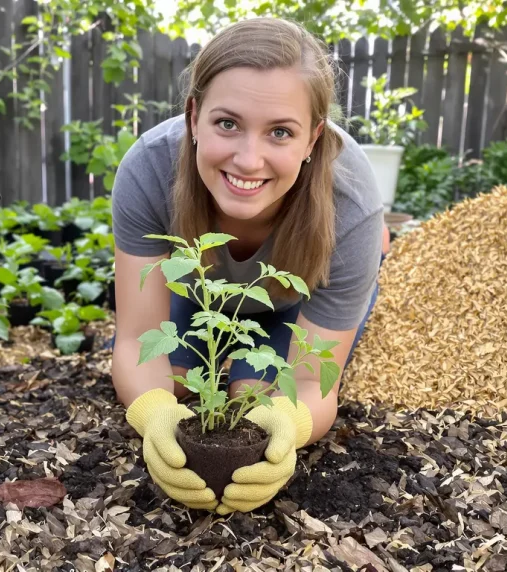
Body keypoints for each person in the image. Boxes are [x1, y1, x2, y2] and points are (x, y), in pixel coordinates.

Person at [109, 17, 390, 514]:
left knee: (255, 399)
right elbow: (136, 340)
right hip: (202, 298)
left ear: (312, 139)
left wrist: (289, 427)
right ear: (193, 116)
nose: (248, 159)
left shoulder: (351, 204)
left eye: (280, 132)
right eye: (227, 123)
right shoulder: (149, 169)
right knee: (175, 383)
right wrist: (154, 417)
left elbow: (312, 383)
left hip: (294, 307)